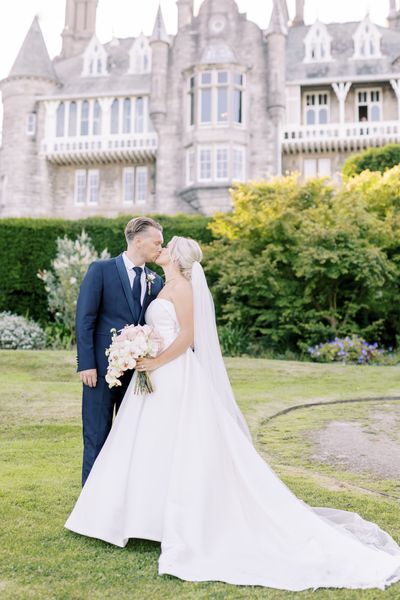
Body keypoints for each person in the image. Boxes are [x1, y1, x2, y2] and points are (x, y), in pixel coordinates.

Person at [66, 236, 400, 591]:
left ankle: (178, 519)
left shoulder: (182, 289)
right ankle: (143, 518)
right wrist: (140, 348)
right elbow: (158, 329)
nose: (161, 247)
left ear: (177, 257)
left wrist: (156, 358)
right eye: (159, 243)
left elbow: (189, 337)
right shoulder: (162, 284)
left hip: (173, 373)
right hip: (153, 376)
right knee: (148, 446)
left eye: (167, 245)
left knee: (175, 445)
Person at [75, 217, 164, 485]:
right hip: (101, 371)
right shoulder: (101, 270)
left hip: (138, 374)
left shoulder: (155, 280)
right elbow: (85, 319)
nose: (161, 247)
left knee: (130, 439)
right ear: (138, 240)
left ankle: (121, 503)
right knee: (96, 436)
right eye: (157, 242)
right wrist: (86, 363)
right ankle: (89, 506)